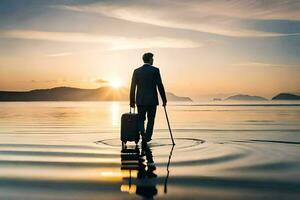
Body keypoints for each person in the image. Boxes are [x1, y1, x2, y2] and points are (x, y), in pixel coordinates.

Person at [130, 52, 167, 143]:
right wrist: (164, 100)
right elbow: (160, 85)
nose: (153, 60)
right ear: (150, 60)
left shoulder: (136, 71)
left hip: (140, 101)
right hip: (152, 101)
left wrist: (132, 101)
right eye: (152, 59)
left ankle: (142, 133)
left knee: (141, 119)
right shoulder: (155, 70)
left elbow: (133, 87)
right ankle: (147, 137)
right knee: (151, 119)